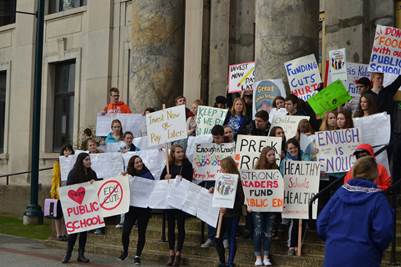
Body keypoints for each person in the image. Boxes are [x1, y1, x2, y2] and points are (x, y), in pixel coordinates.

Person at [317, 156, 393, 267]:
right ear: (375, 174)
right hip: (364, 257)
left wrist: (334, 240)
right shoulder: (378, 199)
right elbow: (384, 232)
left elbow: (321, 225)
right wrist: (374, 247)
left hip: (334, 255)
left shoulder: (339, 194)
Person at [160, 144, 193, 266]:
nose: (180, 154)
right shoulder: (169, 166)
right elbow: (161, 180)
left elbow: (189, 181)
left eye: (182, 152)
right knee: (171, 227)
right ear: (173, 154)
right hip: (170, 201)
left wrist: (180, 178)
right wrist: (165, 177)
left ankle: (179, 253)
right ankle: (171, 252)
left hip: (181, 200)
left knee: (180, 226)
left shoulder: (187, 165)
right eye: (178, 152)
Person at [62, 153, 98, 264]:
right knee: (73, 232)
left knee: (84, 232)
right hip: (75, 207)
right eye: (86, 160)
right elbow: (69, 189)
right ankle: (68, 254)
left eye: (89, 159)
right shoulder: (73, 173)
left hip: (87, 206)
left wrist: (94, 183)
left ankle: (81, 254)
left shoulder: (92, 173)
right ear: (81, 161)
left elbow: (96, 187)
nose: (89, 161)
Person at [119, 155, 154, 265]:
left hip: (144, 209)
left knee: (141, 232)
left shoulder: (148, 175)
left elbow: (154, 188)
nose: (139, 164)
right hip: (131, 208)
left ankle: (137, 255)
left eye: (140, 162)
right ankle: (125, 251)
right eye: (136, 163)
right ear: (132, 165)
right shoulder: (128, 176)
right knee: (125, 232)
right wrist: (122, 177)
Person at [211, 157, 244, 267]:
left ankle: (230, 262)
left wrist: (228, 208)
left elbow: (240, 200)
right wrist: (213, 189)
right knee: (217, 238)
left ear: (228, 167)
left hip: (233, 214)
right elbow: (220, 192)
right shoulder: (221, 178)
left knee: (231, 238)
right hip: (221, 214)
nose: (221, 170)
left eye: (223, 168)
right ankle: (222, 261)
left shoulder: (237, 180)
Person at [251, 147, 279, 266]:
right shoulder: (256, 170)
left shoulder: (277, 170)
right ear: (264, 156)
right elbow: (250, 187)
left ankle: (266, 256)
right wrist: (249, 203)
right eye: (270, 155)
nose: (272, 157)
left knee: (268, 231)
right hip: (258, 205)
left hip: (272, 205)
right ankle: (258, 256)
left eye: (273, 154)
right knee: (258, 231)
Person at [280, 138, 303, 256]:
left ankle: (297, 244)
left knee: (301, 220)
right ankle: (291, 245)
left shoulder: (305, 158)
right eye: (290, 148)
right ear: (287, 150)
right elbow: (282, 178)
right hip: (291, 194)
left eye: (294, 147)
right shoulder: (285, 162)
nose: (293, 150)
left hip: (303, 194)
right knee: (293, 220)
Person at [50, 144, 74, 242]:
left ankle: (65, 233)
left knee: (66, 214)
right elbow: (55, 178)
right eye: (65, 151)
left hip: (70, 191)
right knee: (58, 214)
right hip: (60, 190)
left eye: (69, 151)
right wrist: (53, 191)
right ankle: (58, 233)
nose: (67, 153)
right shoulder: (58, 163)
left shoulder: (74, 162)